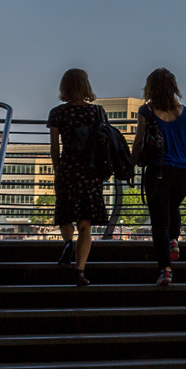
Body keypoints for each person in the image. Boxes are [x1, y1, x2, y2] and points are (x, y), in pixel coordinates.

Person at [132, 68, 186, 286]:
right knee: (173, 206)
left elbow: (139, 141)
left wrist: (132, 162)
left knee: (159, 222)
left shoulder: (147, 111)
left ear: (150, 87)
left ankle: (165, 270)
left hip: (159, 170)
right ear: (174, 87)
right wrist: (183, 144)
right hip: (185, 172)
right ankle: (174, 241)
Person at [47, 68, 109, 287]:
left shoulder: (57, 113)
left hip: (67, 169)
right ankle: (80, 271)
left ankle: (67, 243)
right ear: (86, 86)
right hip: (90, 172)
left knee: (65, 215)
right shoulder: (98, 112)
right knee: (86, 224)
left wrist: (58, 169)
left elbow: (55, 147)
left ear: (64, 87)